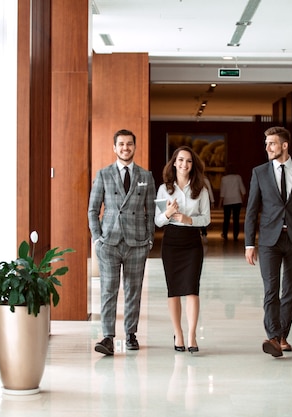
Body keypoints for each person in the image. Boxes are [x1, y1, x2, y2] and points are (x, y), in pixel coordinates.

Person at [244, 126, 292, 358]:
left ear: (284, 145)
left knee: (290, 291)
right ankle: (274, 337)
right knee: (271, 290)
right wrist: (249, 243)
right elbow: (252, 209)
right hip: (268, 241)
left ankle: (282, 336)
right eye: (266, 143)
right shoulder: (260, 172)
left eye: (272, 143)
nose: (267, 148)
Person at [88, 129, 156, 356]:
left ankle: (131, 334)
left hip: (137, 243)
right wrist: (97, 238)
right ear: (114, 148)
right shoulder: (103, 174)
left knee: (133, 290)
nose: (125, 148)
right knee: (108, 290)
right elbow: (93, 209)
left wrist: (149, 239)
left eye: (129, 144)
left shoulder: (145, 176)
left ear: (134, 147)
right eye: (121, 144)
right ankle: (107, 336)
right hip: (109, 242)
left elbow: (151, 209)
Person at [155, 146, 211, 353]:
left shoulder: (201, 189)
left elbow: (206, 218)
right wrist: (168, 213)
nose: (184, 164)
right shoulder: (164, 189)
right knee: (174, 290)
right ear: (174, 163)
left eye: (188, 161)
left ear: (192, 165)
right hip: (171, 242)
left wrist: (189, 219)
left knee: (191, 289)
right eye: (180, 160)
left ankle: (192, 335)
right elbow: (158, 222)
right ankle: (178, 333)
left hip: (192, 242)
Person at [219, 164, 246, 241]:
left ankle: (225, 234)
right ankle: (235, 235)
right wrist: (242, 199)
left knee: (226, 219)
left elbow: (222, 192)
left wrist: (220, 203)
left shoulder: (224, 179)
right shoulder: (238, 177)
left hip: (227, 201)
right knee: (236, 219)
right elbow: (243, 190)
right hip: (237, 200)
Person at [200, 175, 215, 242]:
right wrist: (212, 201)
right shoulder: (205, 180)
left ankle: (203, 233)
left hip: (201, 201)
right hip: (203, 201)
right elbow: (209, 190)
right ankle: (203, 234)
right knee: (202, 218)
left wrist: (212, 201)